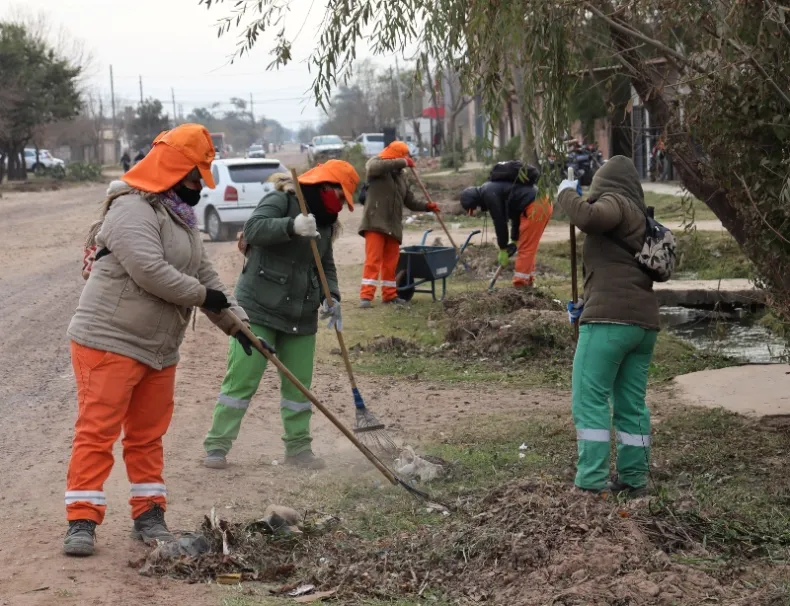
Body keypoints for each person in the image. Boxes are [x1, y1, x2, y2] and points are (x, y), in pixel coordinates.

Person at [63, 124, 251, 557]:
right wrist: (204, 297)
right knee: (97, 432)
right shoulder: (131, 209)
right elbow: (150, 271)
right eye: (195, 179)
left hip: (158, 348)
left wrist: (241, 328)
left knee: (147, 435)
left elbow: (206, 275)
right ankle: (81, 521)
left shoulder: (180, 218)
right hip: (109, 340)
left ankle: (149, 515)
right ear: (174, 172)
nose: (200, 188)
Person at [203, 159, 360, 471]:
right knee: (242, 380)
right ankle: (217, 445)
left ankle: (299, 448)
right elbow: (254, 229)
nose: (341, 204)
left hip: (301, 314)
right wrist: (292, 226)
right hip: (258, 309)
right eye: (340, 196)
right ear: (326, 186)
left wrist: (332, 297)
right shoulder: (282, 200)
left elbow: (325, 264)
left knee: (299, 387)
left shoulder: (327, 222)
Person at [557, 155, 659, 497]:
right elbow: (618, 269)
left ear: (605, 184)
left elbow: (588, 218)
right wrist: (586, 302)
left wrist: (566, 194)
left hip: (609, 323)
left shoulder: (615, 202)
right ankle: (634, 479)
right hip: (642, 326)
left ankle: (590, 482)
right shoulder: (640, 218)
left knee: (589, 398)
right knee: (631, 405)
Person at [359, 141, 439, 306]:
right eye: (404, 157)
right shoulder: (376, 166)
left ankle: (389, 295)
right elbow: (373, 167)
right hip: (375, 221)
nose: (406, 160)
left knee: (391, 263)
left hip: (393, 226)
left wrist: (426, 206)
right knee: (373, 260)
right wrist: (403, 161)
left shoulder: (402, 177)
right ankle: (366, 296)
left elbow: (410, 201)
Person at [459, 166, 552, 288]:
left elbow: (500, 222)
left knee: (526, 248)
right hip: (540, 203)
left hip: (536, 206)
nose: (479, 210)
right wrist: (514, 240)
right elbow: (516, 214)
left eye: (475, 208)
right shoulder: (495, 189)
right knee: (527, 246)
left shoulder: (489, 193)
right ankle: (528, 282)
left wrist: (503, 248)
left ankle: (520, 285)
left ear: (474, 200)